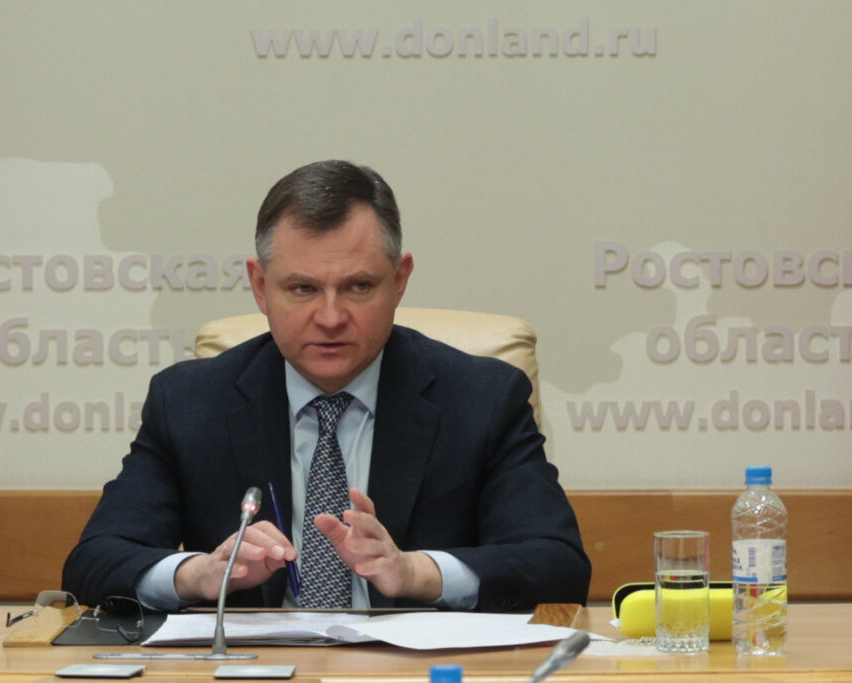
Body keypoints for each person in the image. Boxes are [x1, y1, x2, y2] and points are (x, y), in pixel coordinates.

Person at [62, 160, 590, 612]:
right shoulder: (189, 402)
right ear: (260, 286)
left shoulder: (482, 399)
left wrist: (416, 572)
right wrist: (201, 574)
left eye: (359, 286)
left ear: (399, 280)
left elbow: (558, 566)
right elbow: (92, 564)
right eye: (303, 289)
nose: (331, 317)